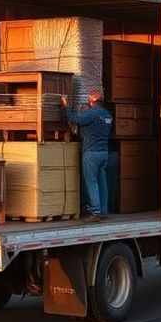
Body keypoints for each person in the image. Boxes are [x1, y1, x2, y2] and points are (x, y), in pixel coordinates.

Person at [61, 89, 113, 222]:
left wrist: (66, 106)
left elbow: (75, 119)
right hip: (104, 153)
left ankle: (95, 212)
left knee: (91, 182)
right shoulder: (107, 115)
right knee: (102, 182)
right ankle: (103, 210)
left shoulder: (92, 113)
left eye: (89, 100)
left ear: (92, 101)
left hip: (92, 154)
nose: (88, 102)